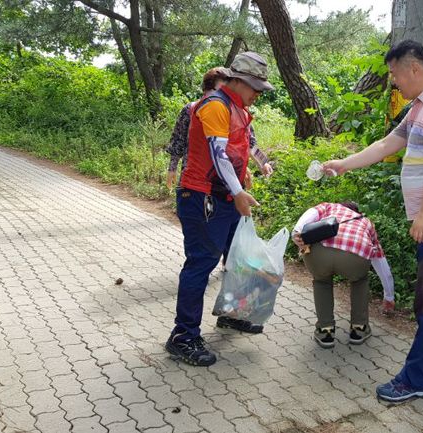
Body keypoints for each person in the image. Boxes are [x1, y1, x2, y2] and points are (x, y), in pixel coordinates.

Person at [323, 40, 423, 402]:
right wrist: (342, 164)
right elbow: (385, 145)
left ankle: (415, 379)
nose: (394, 82)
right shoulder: (420, 108)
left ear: (413, 69)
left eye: (394, 75)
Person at [165, 51, 274, 367]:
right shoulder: (214, 106)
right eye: (254, 87)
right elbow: (218, 155)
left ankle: (231, 314)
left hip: (226, 200)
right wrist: (238, 191)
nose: (257, 94)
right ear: (237, 81)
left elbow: (241, 149)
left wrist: (251, 172)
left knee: (238, 258)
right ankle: (183, 336)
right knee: (200, 265)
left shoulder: (239, 109)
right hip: (203, 199)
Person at [291, 202, 395, 348]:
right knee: (359, 280)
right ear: (357, 211)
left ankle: (325, 331)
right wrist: (389, 296)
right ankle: (359, 329)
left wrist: (296, 231)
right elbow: (380, 261)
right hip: (354, 256)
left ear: (342, 205)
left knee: (322, 281)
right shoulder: (365, 222)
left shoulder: (330, 207)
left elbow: (311, 212)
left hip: (319, 254)